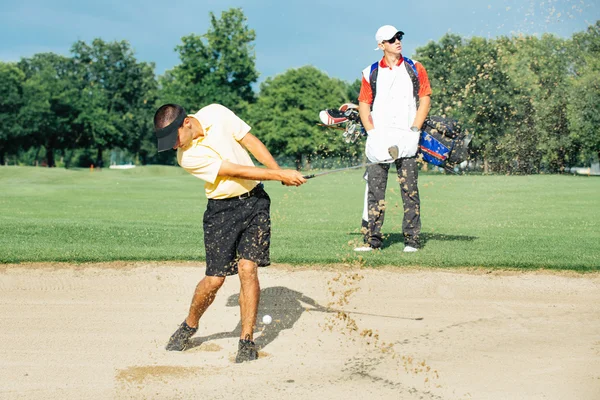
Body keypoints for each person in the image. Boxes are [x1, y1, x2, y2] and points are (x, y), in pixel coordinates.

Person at [153, 103, 306, 363]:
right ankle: (190, 324)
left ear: (186, 123)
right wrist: (277, 174)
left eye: (174, 138)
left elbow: (250, 141)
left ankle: (246, 339)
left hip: (255, 202)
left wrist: (277, 170)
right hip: (221, 213)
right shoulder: (186, 157)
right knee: (215, 280)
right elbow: (234, 170)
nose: (174, 145)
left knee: (248, 269)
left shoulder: (215, 112)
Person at [354, 25, 432, 253]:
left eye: (399, 37)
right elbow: (364, 103)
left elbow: (425, 98)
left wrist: (415, 128)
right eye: (391, 39)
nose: (397, 41)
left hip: (407, 138)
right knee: (375, 192)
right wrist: (371, 131)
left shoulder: (415, 67)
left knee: (409, 191)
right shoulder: (370, 72)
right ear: (381, 45)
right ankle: (372, 241)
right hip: (379, 140)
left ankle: (412, 240)